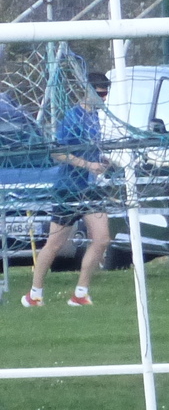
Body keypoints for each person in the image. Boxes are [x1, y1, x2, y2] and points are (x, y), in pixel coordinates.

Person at [21, 73, 113, 308]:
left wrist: (102, 161)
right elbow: (58, 153)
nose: (104, 98)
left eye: (106, 93)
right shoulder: (72, 118)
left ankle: (80, 294)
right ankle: (34, 294)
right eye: (101, 93)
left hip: (90, 188)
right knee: (55, 245)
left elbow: (90, 151)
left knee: (102, 239)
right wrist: (88, 165)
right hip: (68, 189)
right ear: (88, 91)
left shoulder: (95, 117)